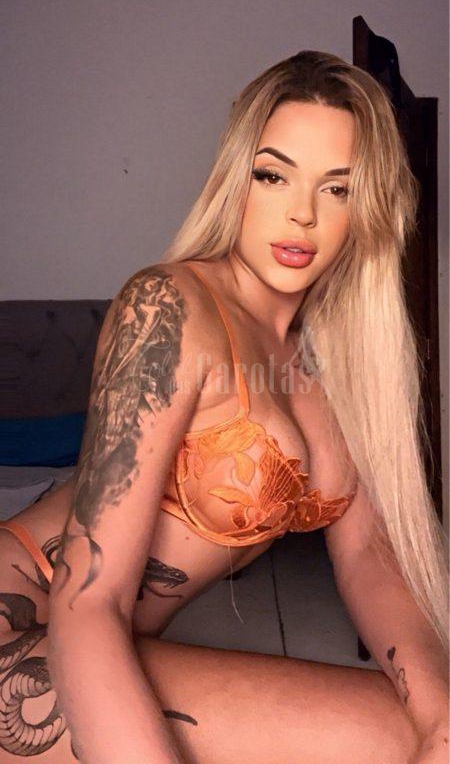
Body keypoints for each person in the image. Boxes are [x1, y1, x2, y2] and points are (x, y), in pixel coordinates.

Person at [0, 50, 448, 764]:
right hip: (43, 628)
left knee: (420, 728)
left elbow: (370, 555)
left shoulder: (343, 362)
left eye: (338, 188)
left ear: (367, 208)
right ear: (237, 178)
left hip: (111, 642)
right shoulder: (168, 308)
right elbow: (89, 601)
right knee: (385, 737)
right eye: (274, 175)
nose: (302, 213)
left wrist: (439, 714)